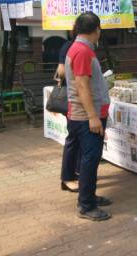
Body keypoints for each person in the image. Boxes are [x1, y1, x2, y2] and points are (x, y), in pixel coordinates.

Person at [65, 12, 112, 221]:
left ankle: (89, 196)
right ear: (97, 30)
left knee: (89, 159)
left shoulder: (79, 48)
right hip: (86, 117)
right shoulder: (82, 51)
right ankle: (86, 205)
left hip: (85, 114)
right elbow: (82, 86)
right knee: (90, 159)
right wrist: (93, 117)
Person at [59, 27, 79, 193]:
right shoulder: (69, 47)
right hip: (73, 100)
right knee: (73, 138)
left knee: (76, 139)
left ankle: (76, 172)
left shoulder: (78, 47)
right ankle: (68, 177)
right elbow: (60, 71)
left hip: (76, 100)